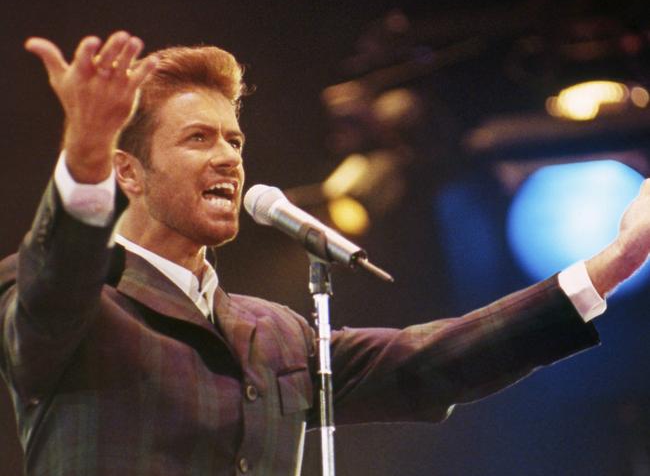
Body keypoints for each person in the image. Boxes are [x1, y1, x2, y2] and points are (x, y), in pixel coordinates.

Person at [1, 30, 649, 476]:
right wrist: (84, 154)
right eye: (198, 138)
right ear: (130, 173)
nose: (228, 155)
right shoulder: (66, 305)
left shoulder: (276, 333)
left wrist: (616, 260)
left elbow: (431, 362)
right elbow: (58, 278)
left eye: (234, 138)